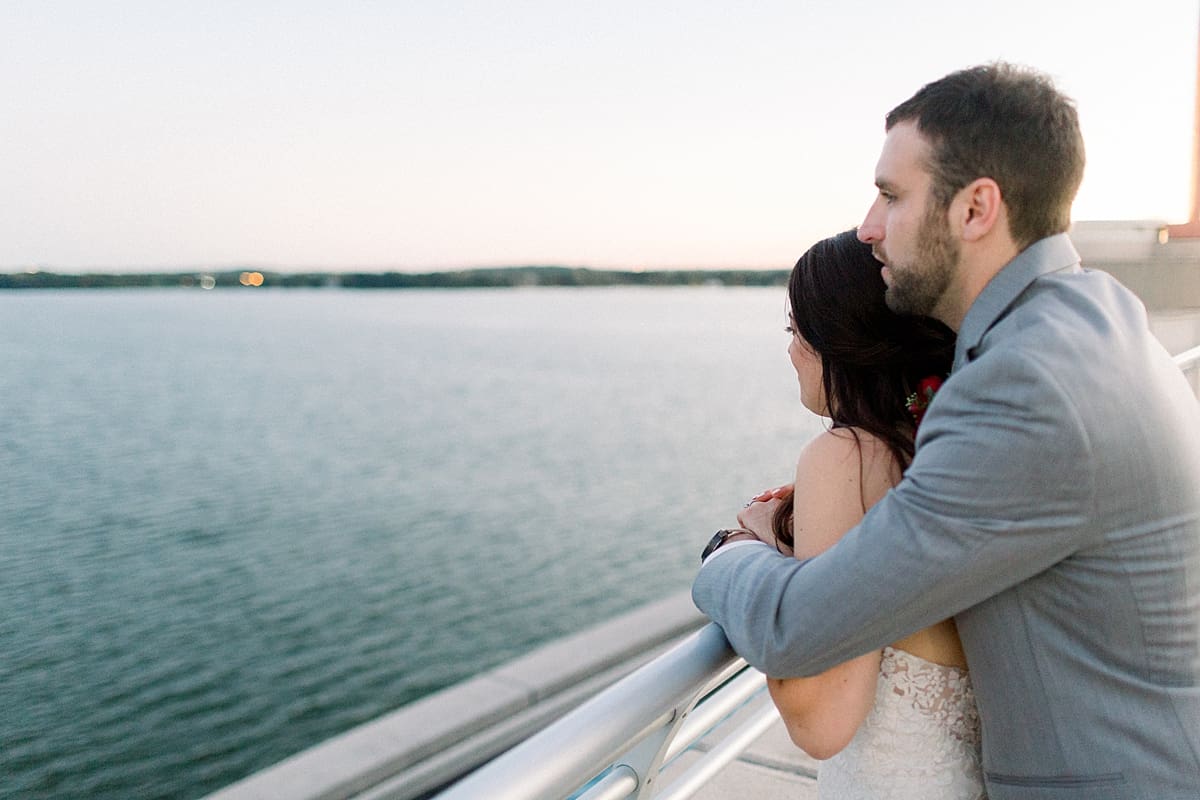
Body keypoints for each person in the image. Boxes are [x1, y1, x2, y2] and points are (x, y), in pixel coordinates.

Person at [693, 62, 1200, 799]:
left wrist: (727, 552)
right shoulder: (1096, 318)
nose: (869, 228)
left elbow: (796, 628)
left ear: (976, 209)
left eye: (892, 196)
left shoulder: (1025, 388)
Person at [741, 228, 983, 797]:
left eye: (794, 331)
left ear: (837, 342)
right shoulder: (954, 439)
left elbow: (820, 717)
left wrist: (745, 547)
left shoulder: (845, 458)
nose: (789, 351)